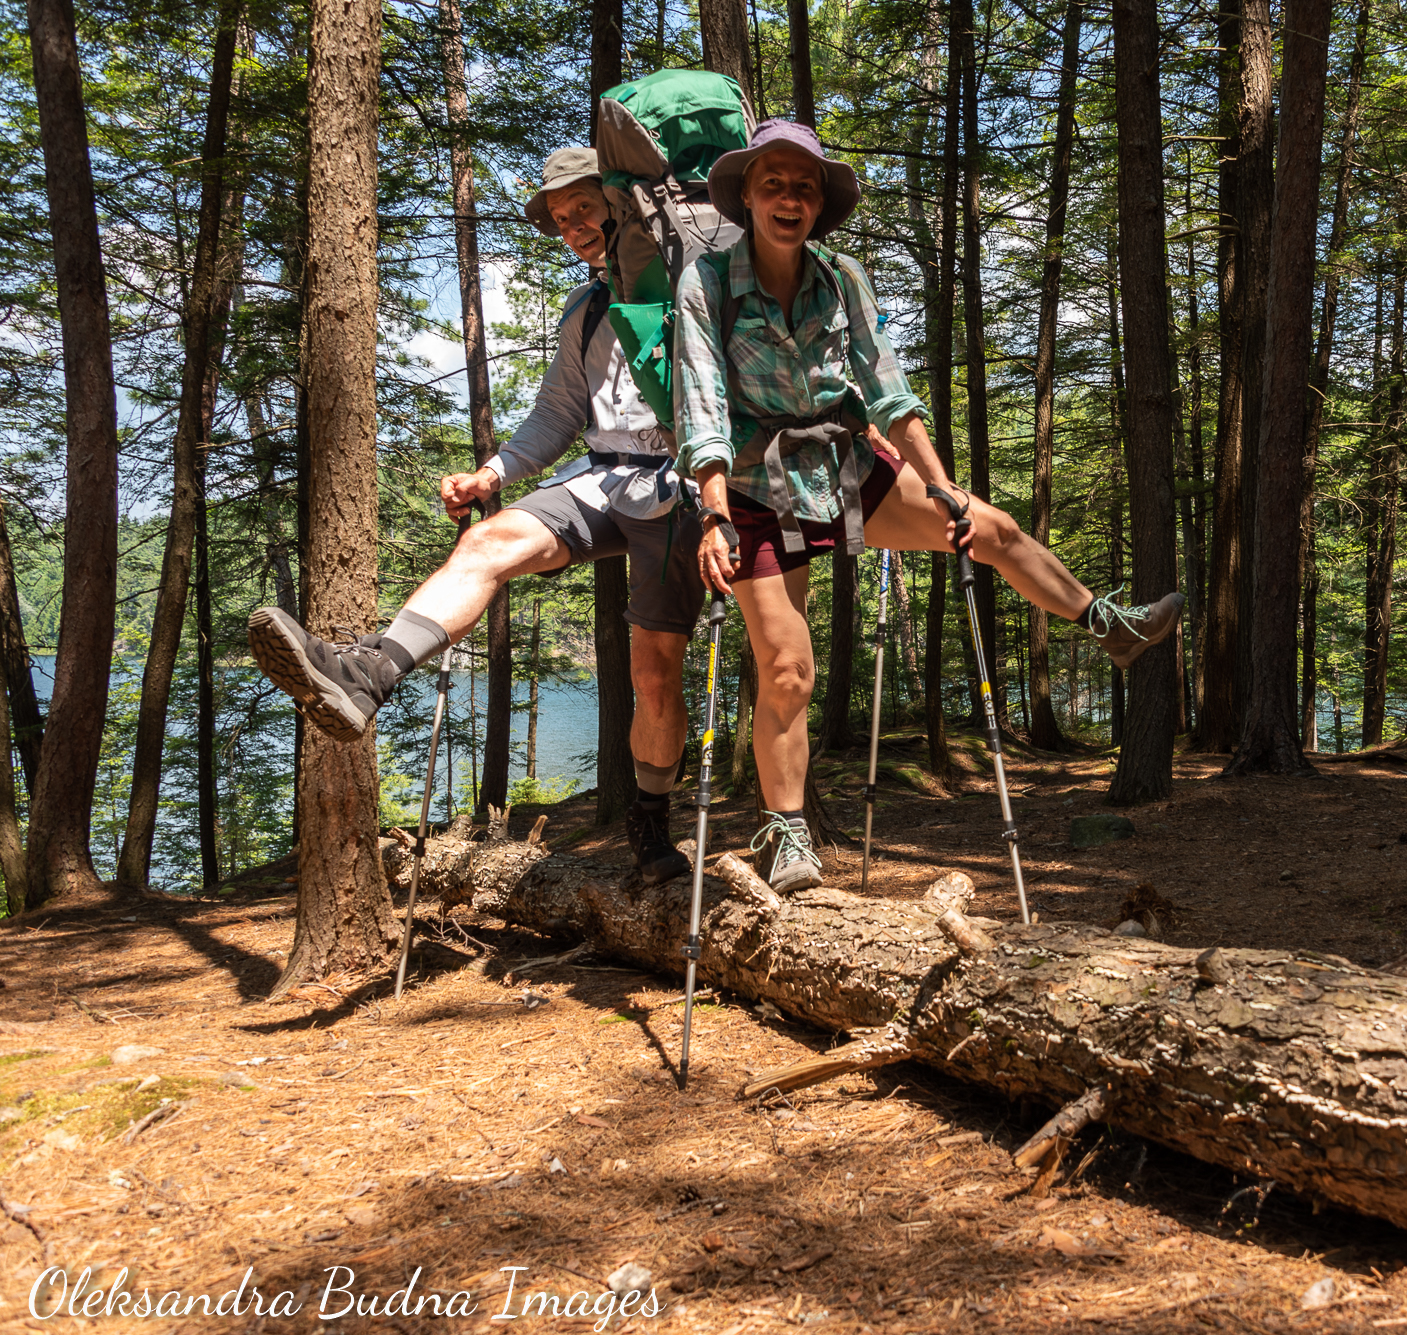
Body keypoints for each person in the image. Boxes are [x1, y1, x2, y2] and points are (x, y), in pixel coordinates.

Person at [674, 119, 1183, 895]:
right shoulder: (705, 281)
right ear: (746, 194)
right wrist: (711, 511)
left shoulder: (843, 275)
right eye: (772, 182)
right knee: (786, 668)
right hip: (748, 487)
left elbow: (889, 392)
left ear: (821, 203)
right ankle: (785, 835)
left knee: (995, 527)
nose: (789, 197)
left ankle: (1106, 625)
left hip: (846, 464)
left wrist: (942, 484)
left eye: (804, 186)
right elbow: (700, 405)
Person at [247, 147, 708, 885]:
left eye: (583, 207)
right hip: (606, 474)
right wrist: (489, 474)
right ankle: (368, 673)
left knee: (655, 674)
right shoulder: (584, 312)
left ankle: (651, 826)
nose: (573, 226)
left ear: (618, 201)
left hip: (682, 485)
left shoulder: (690, 288)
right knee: (489, 540)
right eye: (560, 219)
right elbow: (557, 413)